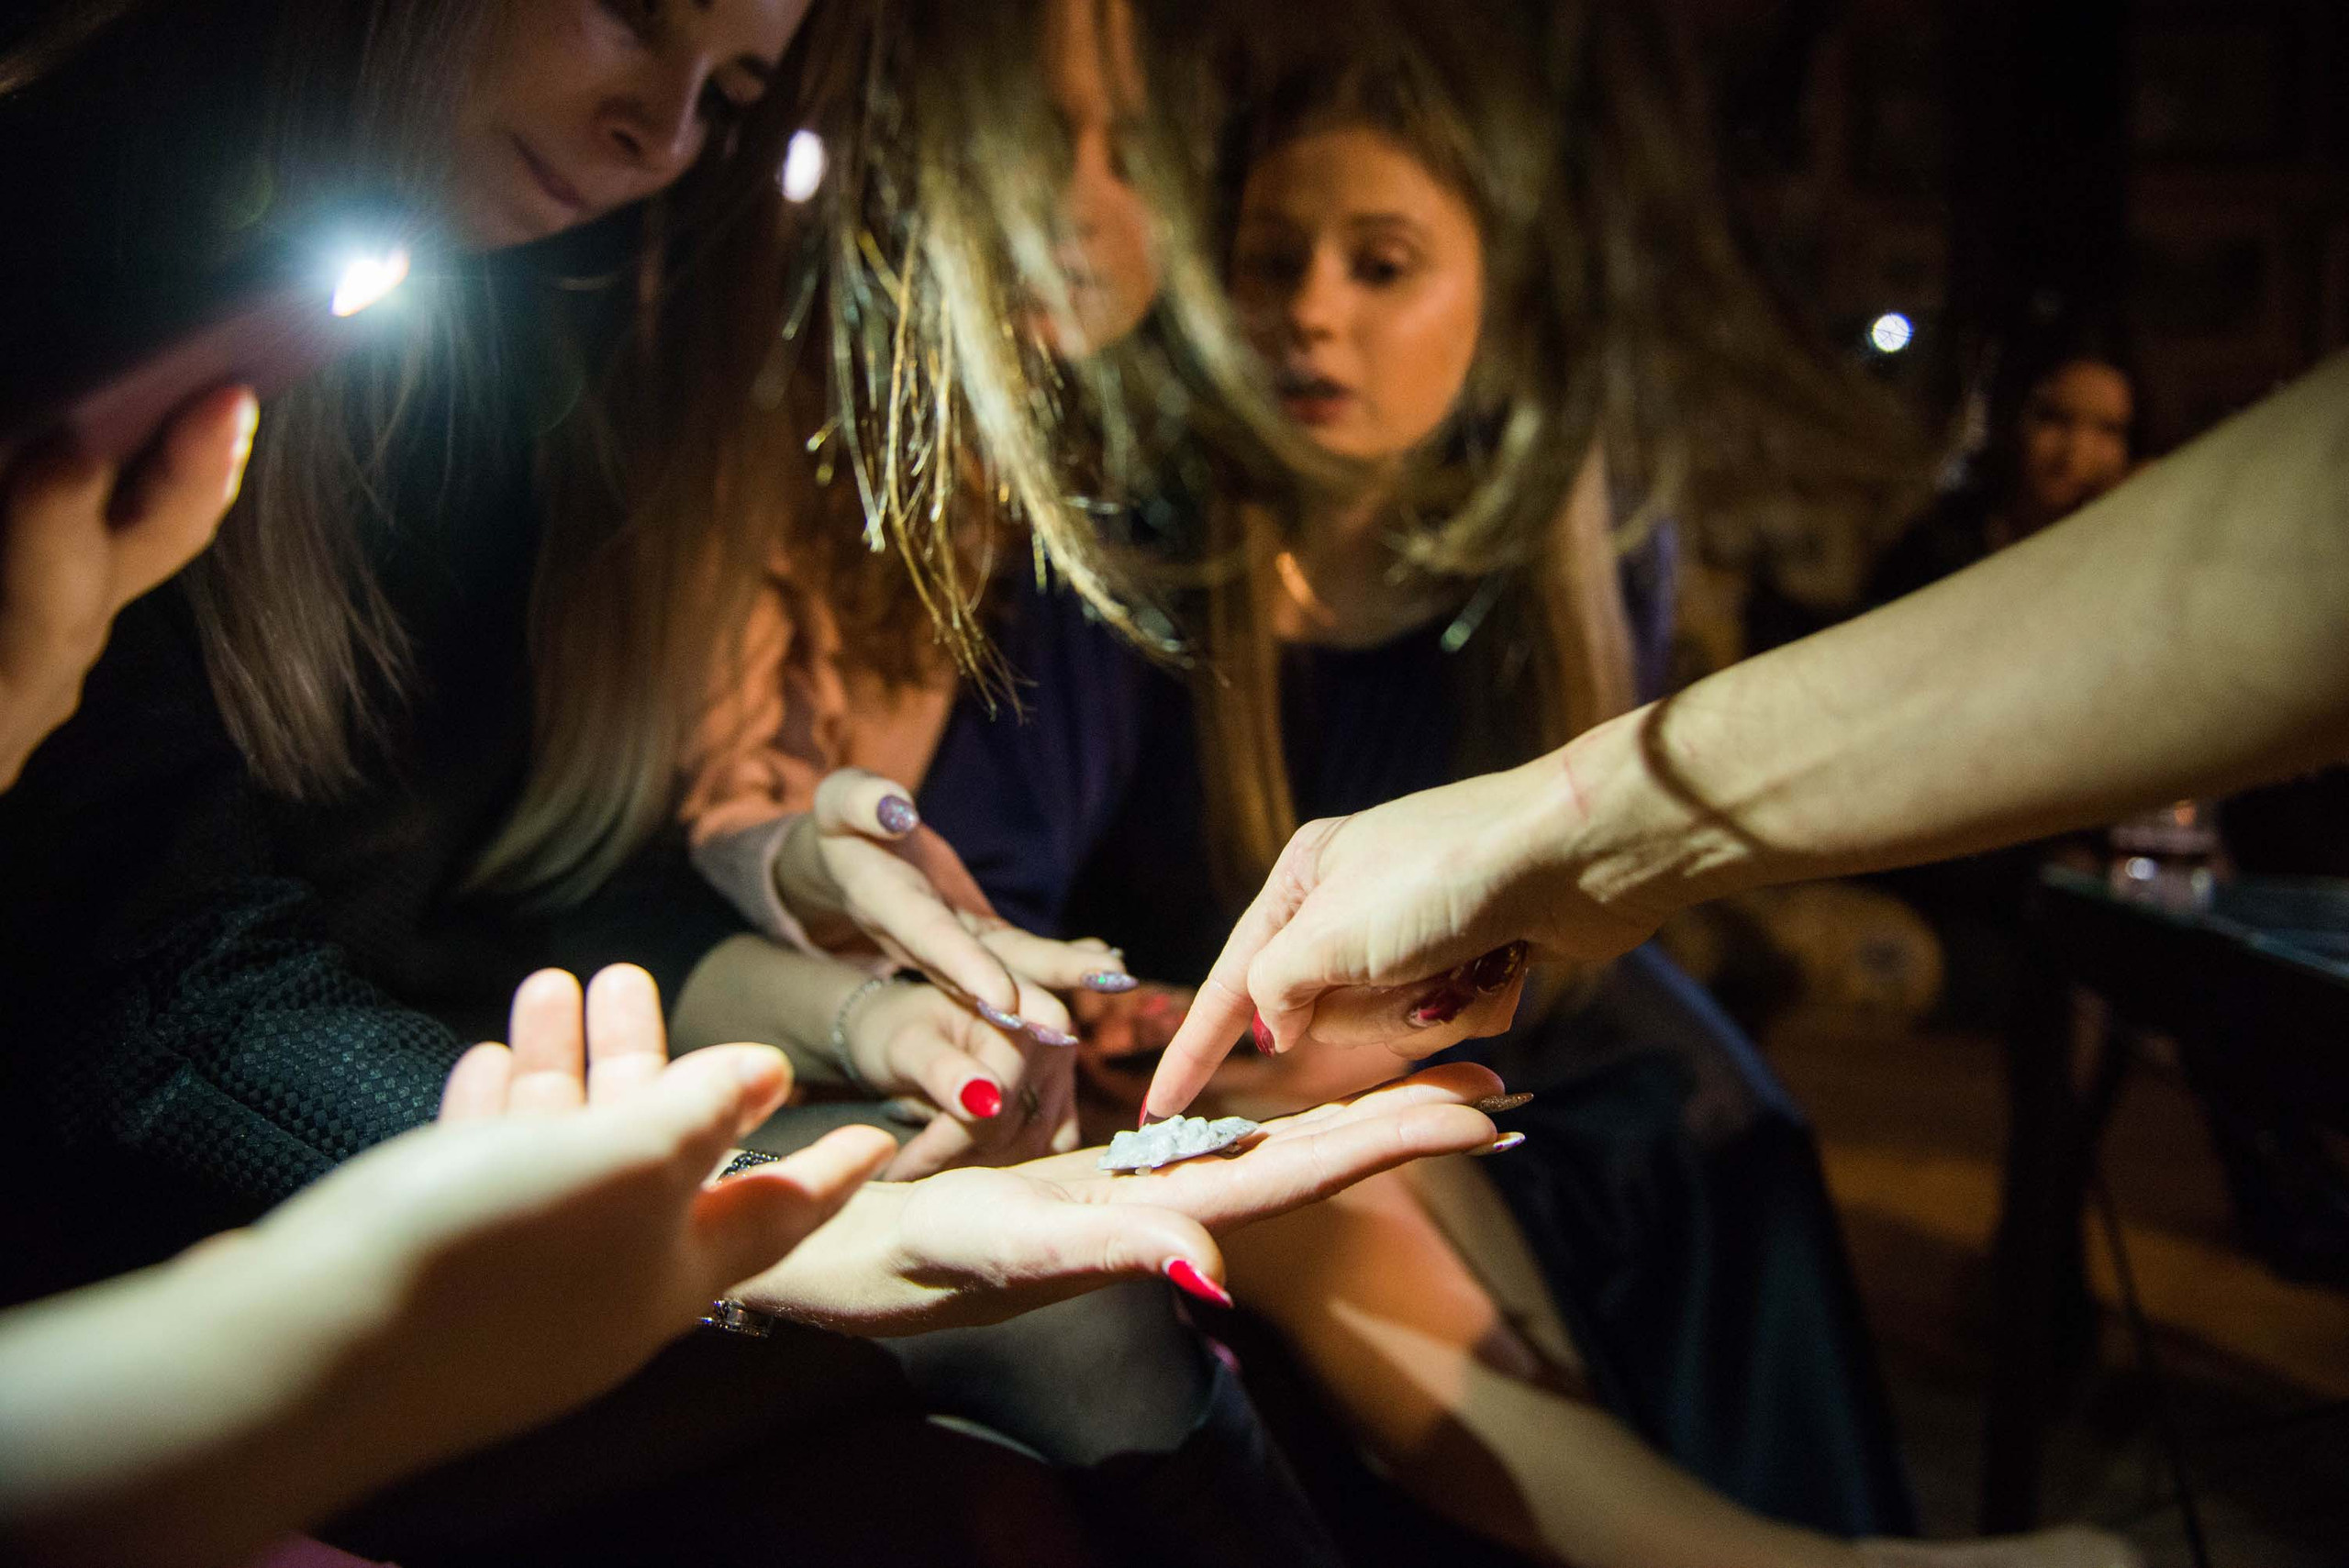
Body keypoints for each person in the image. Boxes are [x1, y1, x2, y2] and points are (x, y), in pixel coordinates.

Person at [0, 4, 1364, 1563]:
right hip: (183, 1222)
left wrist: (847, 1002)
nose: (660, 134)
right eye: (634, 15)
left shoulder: (522, 313)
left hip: (438, 1145)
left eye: (729, 93)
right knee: (1059, 1322)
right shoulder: (91, 251)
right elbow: (165, 1001)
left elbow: (519, 875)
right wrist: (735, 1215)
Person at [1141, 344, 2349, 1097]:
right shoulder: (1175, 548)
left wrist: (1563, 823)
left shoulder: (1577, 540)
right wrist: (1566, 826)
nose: (1314, 315)